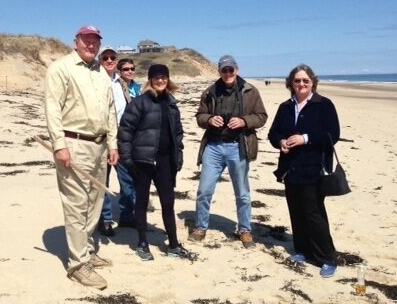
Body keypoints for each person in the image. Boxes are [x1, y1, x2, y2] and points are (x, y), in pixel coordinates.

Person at [44, 25, 119, 290]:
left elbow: (110, 111)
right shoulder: (61, 68)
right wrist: (59, 145)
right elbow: (52, 108)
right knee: (76, 203)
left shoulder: (102, 72)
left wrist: (112, 144)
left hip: (99, 147)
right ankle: (77, 265)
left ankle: (87, 250)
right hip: (73, 144)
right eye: (86, 40)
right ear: (76, 42)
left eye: (95, 41)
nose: (91, 45)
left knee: (95, 201)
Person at [267, 64, 340, 278]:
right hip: (290, 168)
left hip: (314, 167)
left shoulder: (324, 105)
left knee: (314, 213)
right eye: (297, 81)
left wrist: (304, 138)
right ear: (291, 83)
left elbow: (332, 134)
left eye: (305, 81)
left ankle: (327, 258)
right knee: (296, 211)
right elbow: (273, 133)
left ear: (313, 83)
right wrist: (280, 142)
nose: (301, 84)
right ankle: (303, 251)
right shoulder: (285, 107)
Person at [117, 64, 195, 261]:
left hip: (165, 162)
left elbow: (178, 134)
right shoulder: (140, 103)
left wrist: (178, 157)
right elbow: (125, 132)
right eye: (157, 77)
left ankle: (174, 245)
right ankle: (143, 243)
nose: (160, 81)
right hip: (142, 161)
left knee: (168, 204)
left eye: (164, 77)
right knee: (141, 203)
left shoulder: (171, 104)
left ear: (168, 80)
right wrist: (127, 160)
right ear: (150, 80)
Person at [189, 55, 268, 248]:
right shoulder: (210, 91)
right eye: (224, 70)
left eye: (230, 70)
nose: (227, 73)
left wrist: (244, 121)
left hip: (237, 146)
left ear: (237, 70)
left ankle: (245, 229)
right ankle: (200, 226)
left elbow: (262, 116)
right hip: (213, 146)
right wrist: (209, 119)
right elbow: (199, 116)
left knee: (242, 193)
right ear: (219, 72)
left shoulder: (250, 91)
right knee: (204, 191)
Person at [97, 49, 138, 236]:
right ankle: (105, 220)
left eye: (113, 57)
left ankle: (127, 216)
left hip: (122, 138)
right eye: (105, 58)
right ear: (100, 60)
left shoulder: (122, 82)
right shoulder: (95, 78)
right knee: (102, 180)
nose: (109, 60)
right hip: (101, 138)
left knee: (127, 180)